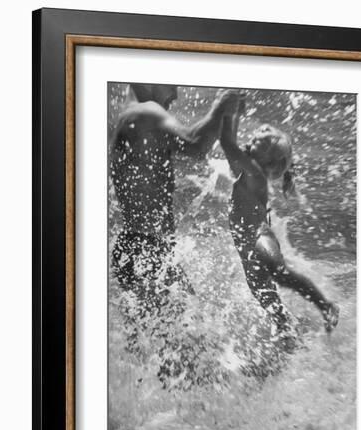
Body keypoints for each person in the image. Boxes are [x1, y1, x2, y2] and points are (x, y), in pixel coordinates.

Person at [109, 84, 240, 306]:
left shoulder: (130, 113)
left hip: (138, 247)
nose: (176, 95)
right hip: (146, 250)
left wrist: (227, 115)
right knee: (186, 329)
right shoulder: (146, 112)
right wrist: (221, 104)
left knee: (153, 334)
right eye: (171, 85)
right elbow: (196, 145)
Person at [219, 101, 339, 338]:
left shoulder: (254, 171)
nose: (249, 143)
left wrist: (228, 111)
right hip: (247, 247)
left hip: (258, 236)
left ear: (266, 161)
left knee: (279, 272)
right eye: (252, 140)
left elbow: (226, 143)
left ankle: (325, 304)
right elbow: (231, 147)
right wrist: (233, 117)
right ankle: (288, 332)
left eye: (256, 143)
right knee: (265, 294)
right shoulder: (248, 169)